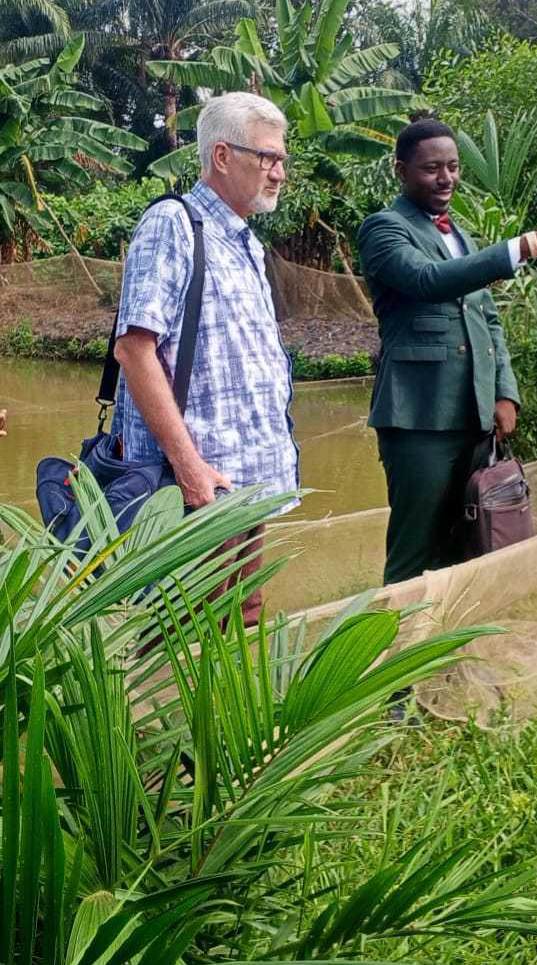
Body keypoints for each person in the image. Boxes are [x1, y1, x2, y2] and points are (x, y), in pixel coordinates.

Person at [358, 117, 537, 585]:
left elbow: (486, 318)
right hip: (419, 417)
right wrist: (528, 245)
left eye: (452, 166)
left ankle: (451, 647)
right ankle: (399, 650)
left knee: (466, 540)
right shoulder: (384, 229)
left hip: (472, 415)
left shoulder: (458, 235)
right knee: (414, 551)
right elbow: (427, 281)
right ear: (400, 170)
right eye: (431, 168)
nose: (446, 178)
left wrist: (503, 393)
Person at [112, 91, 299, 625]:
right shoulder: (175, 224)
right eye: (267, 157)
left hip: (248, 483)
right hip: (196, 490)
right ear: (222, 156)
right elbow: (134, 350)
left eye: (282, 159)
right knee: (181, 637)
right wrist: (190, 468)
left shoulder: (244, 243)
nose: (279, 172)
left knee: (242, 620)